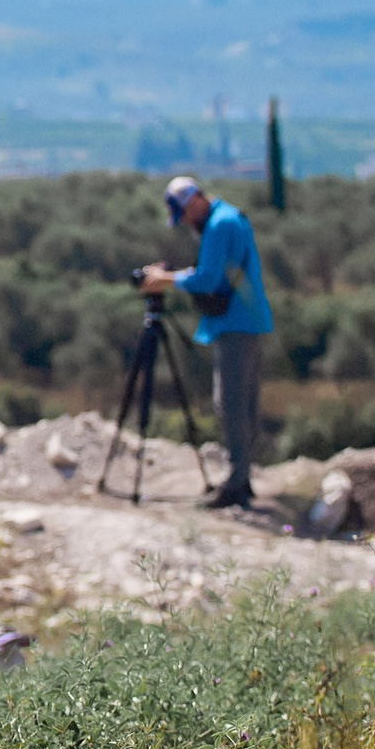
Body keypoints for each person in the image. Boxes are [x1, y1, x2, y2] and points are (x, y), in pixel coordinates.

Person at [139, 175, 274, 509]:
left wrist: (164, 280)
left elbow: (208, 278)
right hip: (246, 320)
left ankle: (237, 483)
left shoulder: (219, 224)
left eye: (184, 214)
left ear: (195, 201)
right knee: (242, 401)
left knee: (230, 403)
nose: (186, 222)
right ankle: (241, 476)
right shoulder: (229, 217)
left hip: (236, 324)